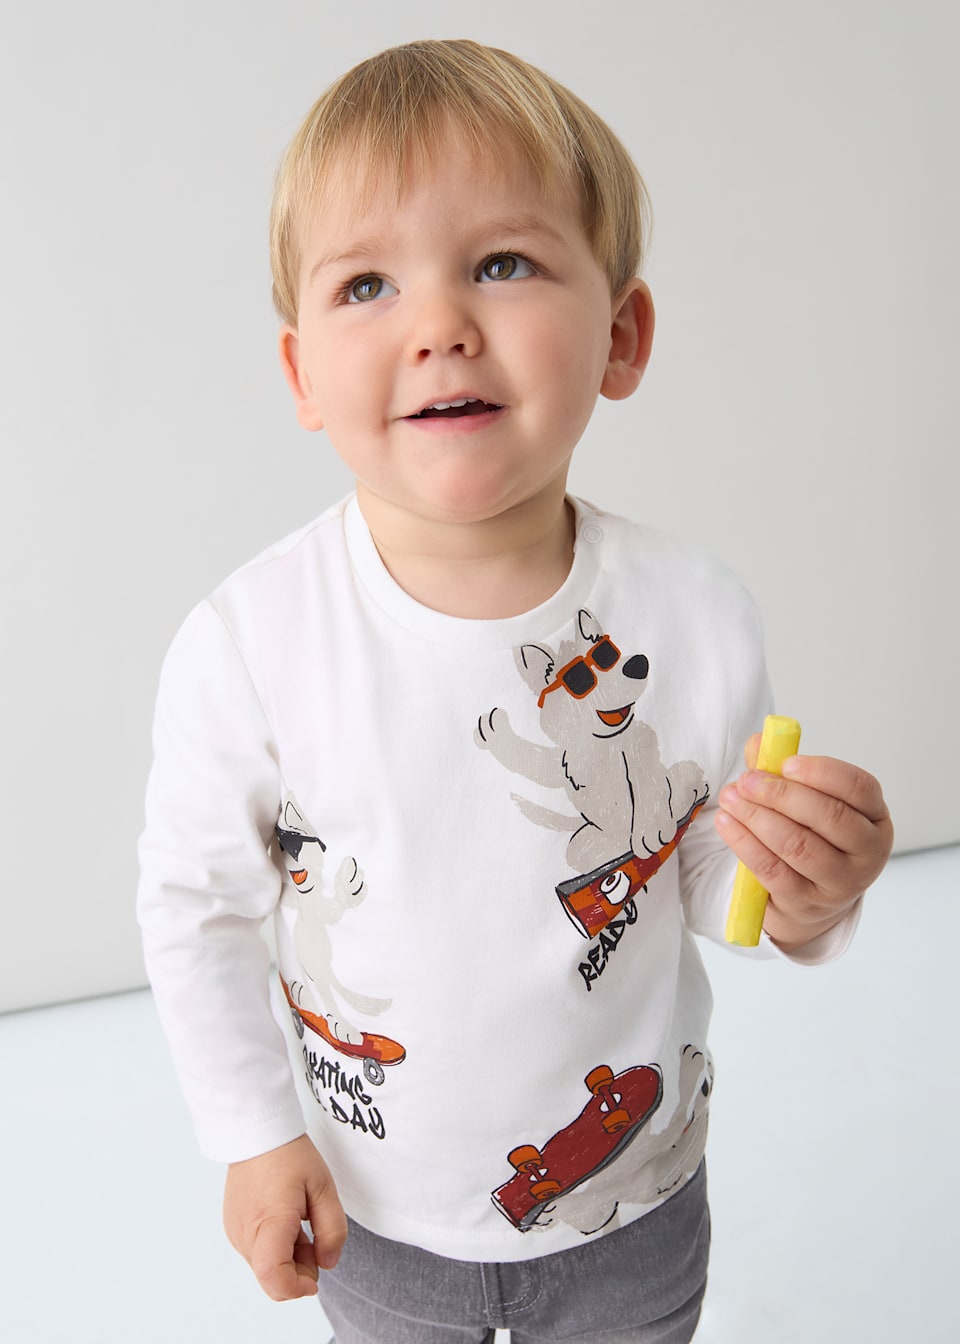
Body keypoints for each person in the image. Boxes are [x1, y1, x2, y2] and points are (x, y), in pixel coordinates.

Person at [137, 39, 893, 1344]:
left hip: (633, 1201)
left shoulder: (693, 619)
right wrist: (253, 1133)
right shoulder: (251, 644)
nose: (438, 325)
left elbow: (710, 880)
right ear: (303, 374)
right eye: (367, 284)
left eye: (502, 264)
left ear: (622, 334)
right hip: (374, 1212)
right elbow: (193, 909)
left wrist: (809, 893)